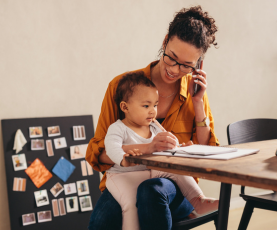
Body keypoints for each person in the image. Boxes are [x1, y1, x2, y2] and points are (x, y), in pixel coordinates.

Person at [86, 5, 219, 230]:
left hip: (174, 186)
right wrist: (144, 150)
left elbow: (208, 152)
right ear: (165, 41)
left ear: (198, 65)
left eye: (187, 65)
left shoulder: (195, 94)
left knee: (151, 191)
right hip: (127, 178)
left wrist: (198, 104)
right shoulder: (122, 87)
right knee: (102, 220)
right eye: (172, 58)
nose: (175, 70)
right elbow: (98, 154)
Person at [105, 72, 218, 230]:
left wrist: (179, 148)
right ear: (125, 107)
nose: (152, 111)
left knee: (176, 170)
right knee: (130, 205)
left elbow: (169, 143)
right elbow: (111, 148)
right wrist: (123, 158)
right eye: (146, 106)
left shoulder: (154, 126)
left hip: (150, 171)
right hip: (123, 176)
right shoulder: (118, 128)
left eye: (155, 105)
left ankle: (199, 200)